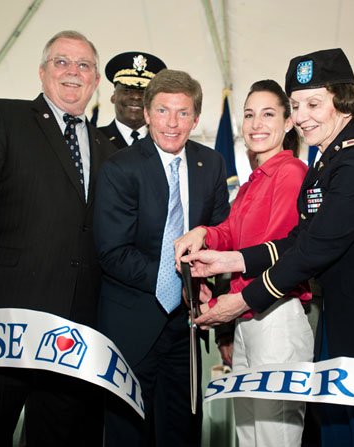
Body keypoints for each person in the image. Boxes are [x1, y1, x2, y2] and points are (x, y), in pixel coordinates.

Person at [181, 49, 354, 447]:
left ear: (345, 101)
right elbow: (299, 240)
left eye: (314, 104)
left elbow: (315, 249)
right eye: (296, 105)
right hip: (342, 324)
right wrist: (232, 258)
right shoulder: (327, 164)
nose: (301, 117)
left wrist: (242, 300)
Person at [0, 30, 116, 446]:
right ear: (41, 72)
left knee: (58, 435)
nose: (73, 72)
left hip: (74, 329)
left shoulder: (108, 149)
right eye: (62, 62)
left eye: (84, 66)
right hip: (4, 318)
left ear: (95, 83)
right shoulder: (3, 117)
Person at [93, 68, 230, 446]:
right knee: (128, 432)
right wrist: (179, 282)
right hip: (131, 324)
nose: (172, 123)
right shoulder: (120, 168)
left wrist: (206, 289)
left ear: (196, 118)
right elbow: (112, 252)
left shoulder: (212, 163)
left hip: (186, 329)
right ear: (148, 113)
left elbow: (222, 236)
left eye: (183, 113)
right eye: (163, 111)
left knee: (182, 429)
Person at [174, 79, 313, 446]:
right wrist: (203, 233)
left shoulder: (291, 172)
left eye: (268, 114)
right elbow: (231, 233)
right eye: (249, 115)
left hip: (276, 316)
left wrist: (224, 302)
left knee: (275, 436)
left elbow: (277, 249)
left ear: (288, 122)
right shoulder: (253, 182)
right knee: (248, 435)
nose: (256, 124)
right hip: (248, 320)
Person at [98, 51, 166, 148]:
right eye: (127, 90)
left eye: (143, 92)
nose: (136, 96)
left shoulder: (166, 140)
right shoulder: (95, 139)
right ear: (113, 97)